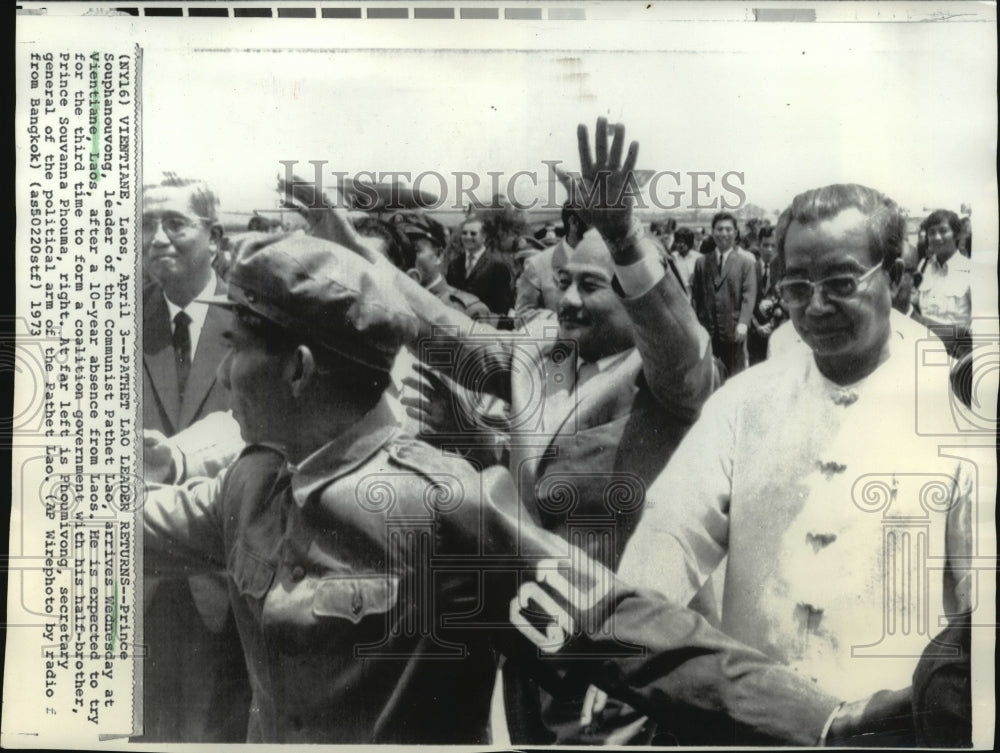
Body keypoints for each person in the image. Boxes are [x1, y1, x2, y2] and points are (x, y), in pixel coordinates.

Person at [143, 226, 884, 747]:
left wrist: (823, 720)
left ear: (300, 369)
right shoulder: (252, 483)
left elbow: (625, 631)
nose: (228, 372)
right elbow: (125, 529)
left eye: (237, 348)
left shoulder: (440, 507)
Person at [616, 183, 974, 745]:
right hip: (751, 726)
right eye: (796, 286)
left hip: (897, 731)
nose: (815, 306)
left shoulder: (957, 410)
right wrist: (625, 643)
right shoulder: (744, 400)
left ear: (897, 278)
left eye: (840, 282)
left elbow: (983, 606)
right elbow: (672, 534)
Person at [139, 175, 251, 742]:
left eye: (174, 223)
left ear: (214, 235)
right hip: (138, 582)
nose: (157, 237)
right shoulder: (114, 323)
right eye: (146, 224)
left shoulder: (257, 321)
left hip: (229, 586)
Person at [690, 211, 758, 376]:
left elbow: (749, 295)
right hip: (708, 334)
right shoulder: (701, 263)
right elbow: (696, 298)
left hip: (734, 332)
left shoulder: (746, 263)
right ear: (712, 232)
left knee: (735, 379)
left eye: (728, 230)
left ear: (735, 233)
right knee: (710, 379)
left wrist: (743, 323)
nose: (724, 234)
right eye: (719, 229)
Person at [399, 212, 491, 321]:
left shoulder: (468, 311)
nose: (404, 258)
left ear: (439, 255)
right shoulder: (388, 303)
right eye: (399, 251)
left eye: (415, 250)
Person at [514, 203, 588, 322]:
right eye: (595, 220)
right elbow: (522, 316)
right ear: (573, 222)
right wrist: (560, 320)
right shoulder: (538, 265)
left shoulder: (609, 260)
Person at [914, 209, 972, 359]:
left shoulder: (970, 271)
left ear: (957, 234)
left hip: (956, 354)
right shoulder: (923, 266)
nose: (936, 237)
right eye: (931, 232)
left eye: (943, 231)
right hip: (923, 349)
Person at [446, 216, 514, 317]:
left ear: (484, 237)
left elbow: (503, 305)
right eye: (464, 233)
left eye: (473, 234)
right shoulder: (454, 264)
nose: (468, 237)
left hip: (484, 325)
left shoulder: (497, 265)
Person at [747, 225, 784, 365]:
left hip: (778, 331)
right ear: (759, 245)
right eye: (765, 245)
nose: (769, 250)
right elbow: (744, 301)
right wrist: (757, 327)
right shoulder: (750, 268)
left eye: (773, 246)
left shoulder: (783, 271)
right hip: (755, 334)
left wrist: (773, 324)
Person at [669, 226, 698, 296]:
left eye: (683, 242)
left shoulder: (698, 258)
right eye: (678, 242)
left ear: (689, 243)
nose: (680, 245)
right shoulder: (671, 258)